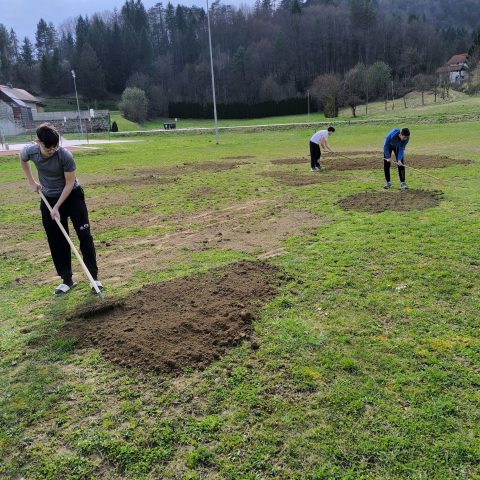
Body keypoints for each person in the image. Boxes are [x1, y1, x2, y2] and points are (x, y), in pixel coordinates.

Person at [20, 123, 103, 295]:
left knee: (84, 235)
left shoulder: (65, 156)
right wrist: (32, 182)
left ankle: (94, 278)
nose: (52, 150)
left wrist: (57, 206)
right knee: (56, 239)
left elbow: (69, 183)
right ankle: (67, 280)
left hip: (72, 196)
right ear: (38, 142)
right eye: (48, 148)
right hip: (48, 198)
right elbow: (23, 160)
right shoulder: (30, 151)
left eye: (55, 147)